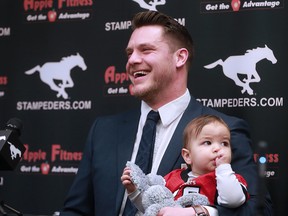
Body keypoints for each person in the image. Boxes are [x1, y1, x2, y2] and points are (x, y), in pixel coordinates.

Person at [60, 11, 273, 215]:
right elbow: (76, 210)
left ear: (180, 58)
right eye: (130, 52)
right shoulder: (103, 130)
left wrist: (200, 212)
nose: (132, 60)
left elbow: (258, 210)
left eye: (146, 50)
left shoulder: (224, 130)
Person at [121, 115, 249, 214]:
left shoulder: (229, 179)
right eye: (208, 143)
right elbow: (152, 206)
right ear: (188, 156)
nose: (218, 148)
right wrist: (134, 192)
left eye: (224, 143)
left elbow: (233, 200)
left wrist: (224, 168)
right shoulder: (172, 178)